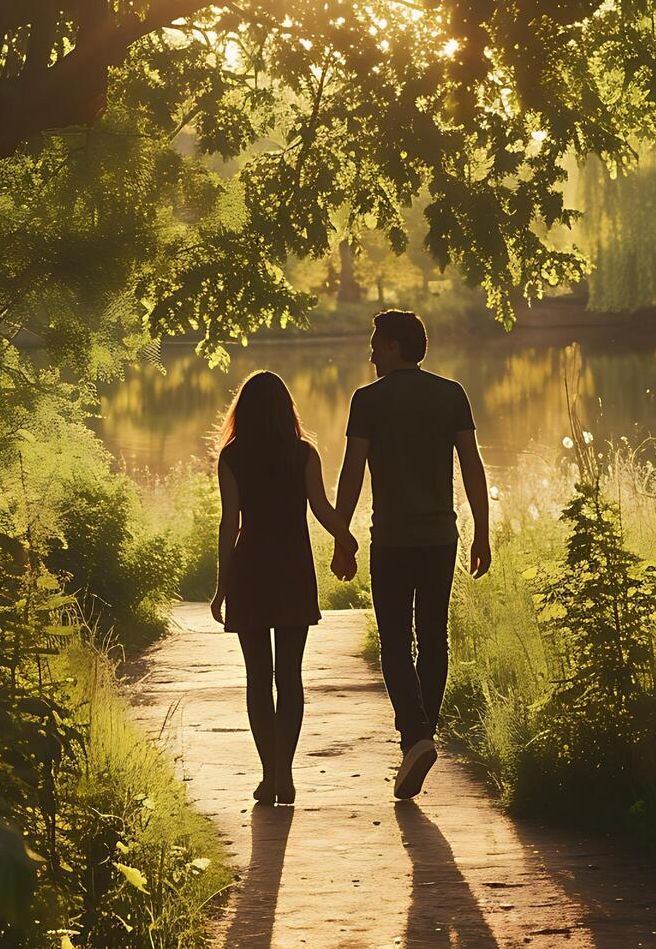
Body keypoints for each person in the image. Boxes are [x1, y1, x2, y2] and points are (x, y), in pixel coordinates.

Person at [332, 310, 490, 800]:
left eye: (377, 342)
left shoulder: (368, 401)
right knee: (433, 636)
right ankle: (420, 739)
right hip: (442, 537)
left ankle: (416, 737)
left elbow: (353, 472)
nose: (372, 351)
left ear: (396, 346)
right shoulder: (451, 394)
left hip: (394, 541)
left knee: (396, 643)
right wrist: (481, 532)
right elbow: (472, 467)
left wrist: (342, 534)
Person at [210, 371, 358, 805]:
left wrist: (222, 585)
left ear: (244, 410)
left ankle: (268, 773)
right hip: (293, 569)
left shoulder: (232, 457)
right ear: (286, 409)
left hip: (251, 569)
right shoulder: (303, 453)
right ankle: (286, 774)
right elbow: (321, 507)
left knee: (258, 677)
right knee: (289, 676)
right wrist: (346, 540)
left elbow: (229, 523)